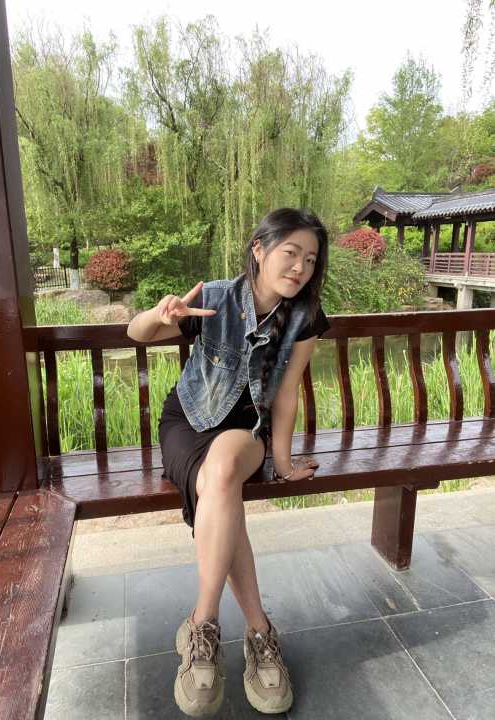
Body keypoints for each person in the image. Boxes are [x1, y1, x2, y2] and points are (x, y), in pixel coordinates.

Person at [127, 207, 331, 716]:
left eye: (310, 259)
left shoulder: (305, 316)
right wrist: (160, 315)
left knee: (223, 470)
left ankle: (202, 626)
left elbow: (287, 392)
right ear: (259, 249)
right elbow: (136, 332)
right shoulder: (214, 298)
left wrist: (282, 462)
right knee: (222, 488)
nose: (300, 267)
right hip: (189, 421)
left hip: (247, 431)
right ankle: (259, 632)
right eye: (291, 252)